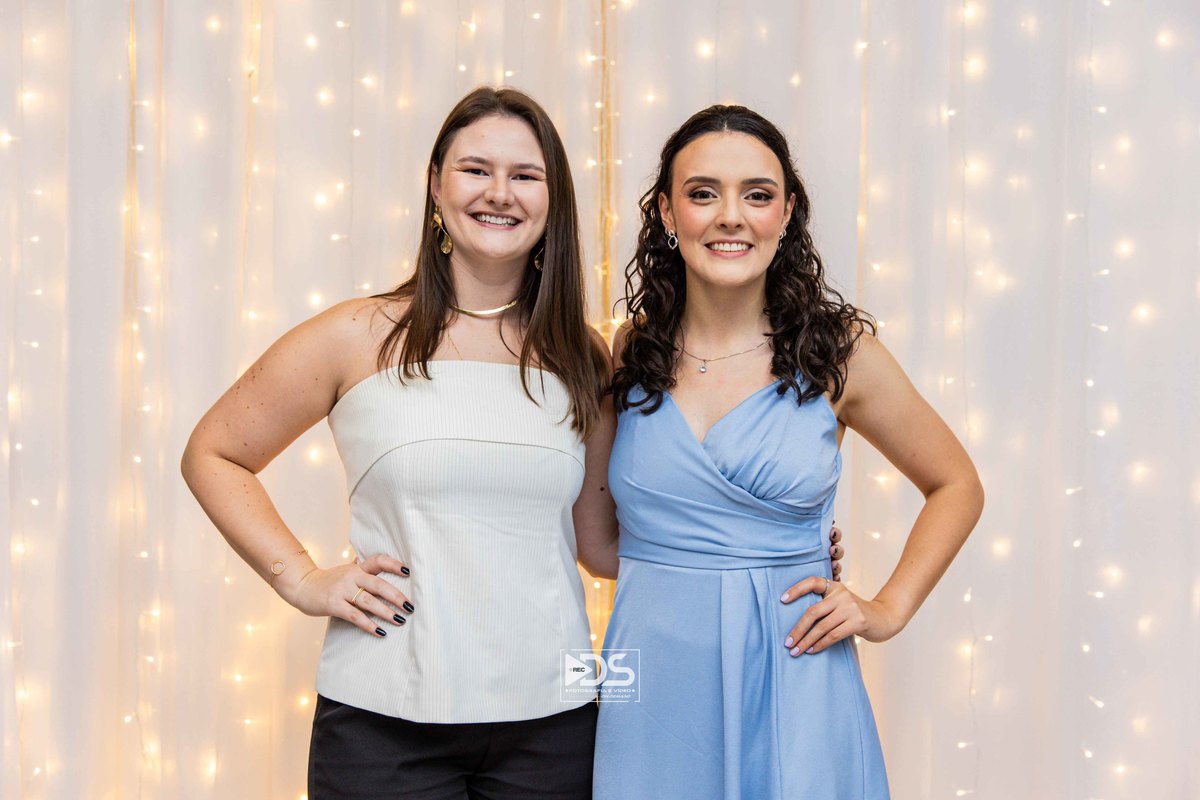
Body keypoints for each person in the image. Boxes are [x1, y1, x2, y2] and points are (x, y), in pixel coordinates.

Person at [594, 105, 985, 799]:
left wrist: (885, 608)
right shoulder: (629, 351)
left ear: (787, 212)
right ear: (666, 213)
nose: (731, 217)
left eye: (757, 194)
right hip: (651, 677)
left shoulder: (840, 355)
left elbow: (956, 484)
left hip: (795, 667)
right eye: (703, 193)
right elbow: (600, 546)